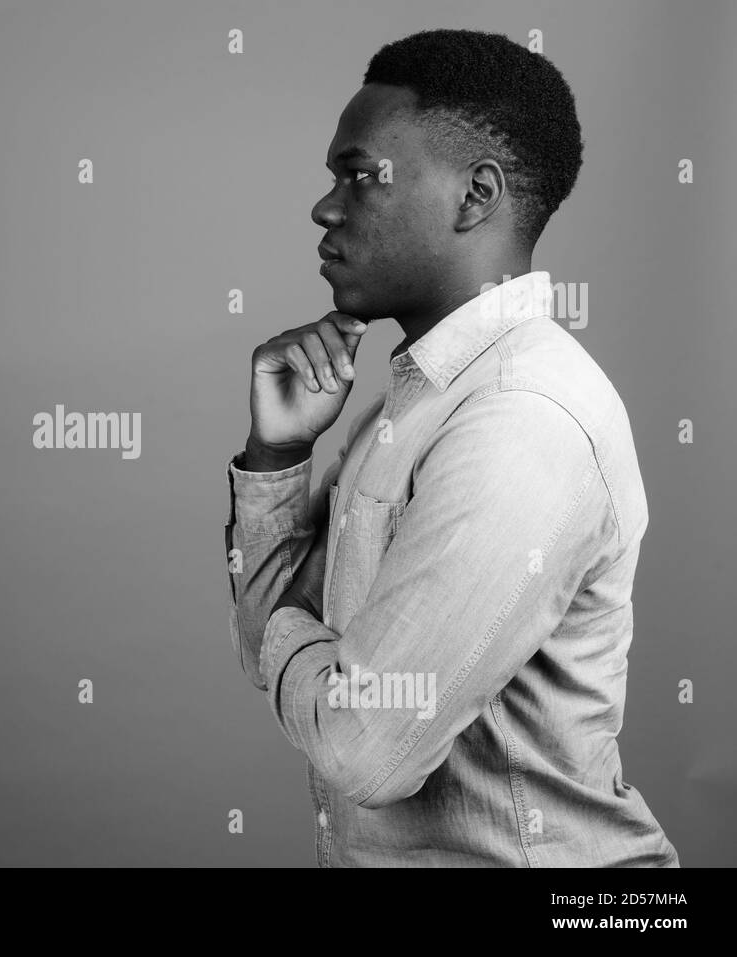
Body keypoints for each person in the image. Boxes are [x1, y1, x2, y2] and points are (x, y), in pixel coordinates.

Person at [223, 28, 678, 866]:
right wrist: (277, 459)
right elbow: (275, 645)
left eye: (359, 177)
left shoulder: (520, 418)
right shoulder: (411, 401)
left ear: (476, 195)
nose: (325, 207)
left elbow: (363, 744)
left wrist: (298, 648)